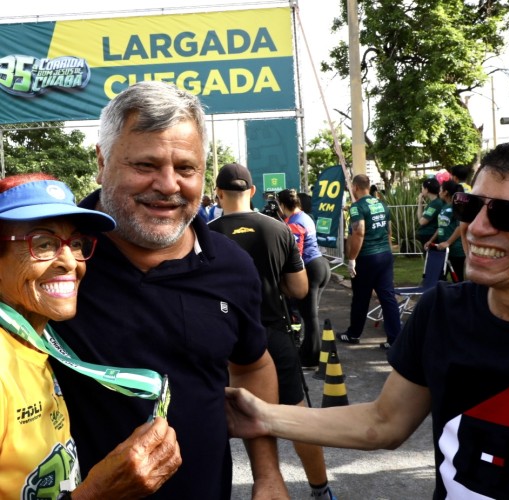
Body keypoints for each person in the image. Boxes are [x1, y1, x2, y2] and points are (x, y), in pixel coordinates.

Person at [225, 138, 509, 499]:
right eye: (469, 207)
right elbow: (384, 422)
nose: (476, 228)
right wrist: (262, 415)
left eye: (506, 214)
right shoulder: (442, 311)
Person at [50, 81, 288, 498]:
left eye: (185, 168)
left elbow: (253, 366)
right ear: (102, 163)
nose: (167, 185)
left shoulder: (232, 267)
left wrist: (268, 476)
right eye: (145, 165)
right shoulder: (50, 259)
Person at [0, 173, 181, 499]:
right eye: (43, 243)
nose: (70, 262)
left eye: (76, 243)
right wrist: (98, 493)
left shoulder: (33, 340)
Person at [209, 164, 336, 500]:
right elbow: (299, 288)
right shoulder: (278, 229)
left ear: (218, 193)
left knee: (210, 417)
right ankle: (321, 490)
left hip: (221, 338)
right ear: (251, 191)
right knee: (295, 415)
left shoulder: (205, 234)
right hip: (272, 333)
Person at [337, 174, 401, 349]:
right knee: (387, 297)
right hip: (384, 255)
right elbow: (388, 231)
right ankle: (396, 339)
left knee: (360, 297)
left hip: (367, 257)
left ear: (356, 187)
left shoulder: (357, 207)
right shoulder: (381, 204)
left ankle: (353, 334)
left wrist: (352, 259)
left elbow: (359, 232)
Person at [277, 188, 331, 369]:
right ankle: (310, 354)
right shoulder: (306, 217)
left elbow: (295, 255)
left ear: (282, 205)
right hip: (320, 264)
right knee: (311, 315)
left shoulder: (293, 223)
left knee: (310, 316)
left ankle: (311, 358)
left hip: (310, 268)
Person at [424, 180, 465, 282]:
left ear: (445, 192)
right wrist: (431, 241)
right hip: (443, 249)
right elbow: (441, 227)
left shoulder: (457, 207)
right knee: (439, 278)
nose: (439, 192)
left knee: (457, 279)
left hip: (456, 251)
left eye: (441, 189)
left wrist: (448, 242)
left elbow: (460, 227)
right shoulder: (444, 207)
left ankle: (460, 297)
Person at [416, 177, 443, 248]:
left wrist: (419, 202)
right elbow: (421, 218)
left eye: (422, 188)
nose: (421, 191)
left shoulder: (435, 204)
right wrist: (420, 203)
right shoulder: (433, 203)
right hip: (428, 235)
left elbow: (422, 221)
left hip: (430, 236)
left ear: (426, 189)